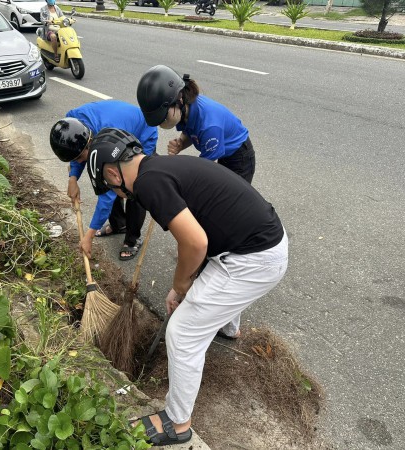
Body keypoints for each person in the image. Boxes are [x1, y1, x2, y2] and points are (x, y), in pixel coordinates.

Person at [86, 128, 288, 446]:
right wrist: (184, 287)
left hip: (253, 260)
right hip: (260, 241)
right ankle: (228, 328)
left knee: (181, 333)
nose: (120, 195)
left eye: (114, 189)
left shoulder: (148, 184)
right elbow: (206, 230)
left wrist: (180, 286)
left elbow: (195, 242)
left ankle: (177, 423)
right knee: (205, 299)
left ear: (112, 172)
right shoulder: (159, 167)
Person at [49, 100, 158, 260]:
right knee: (105, 179)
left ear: (89, 143)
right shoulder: (73, 125)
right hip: (117, 130)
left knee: (132, 187)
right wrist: (73, 178)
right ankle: (118, 224)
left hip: (143, 133)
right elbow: (77, 155)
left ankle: (132, 239)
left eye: (80, 158)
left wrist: (89, 235)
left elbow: (106, 196)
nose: (80, 162)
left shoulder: (105, 142)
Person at [137, 64, 255, 184]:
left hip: (240, 158)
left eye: (163, 118)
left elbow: (203, 168)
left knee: (233, 196)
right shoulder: (187, 110)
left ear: (179, 100)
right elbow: (191, 131)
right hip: (222, 150)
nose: (161, 123)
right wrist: (181, 143)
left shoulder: (209, 126)